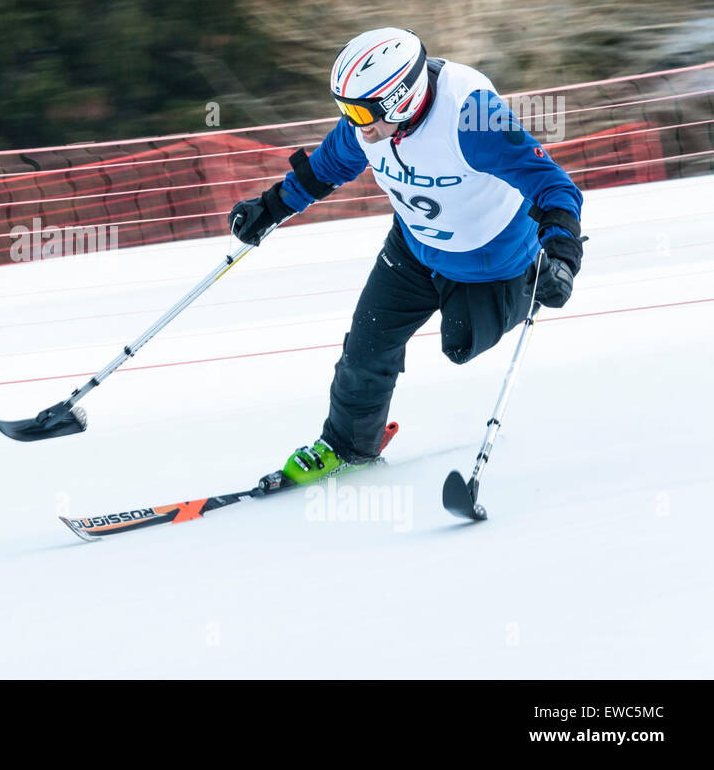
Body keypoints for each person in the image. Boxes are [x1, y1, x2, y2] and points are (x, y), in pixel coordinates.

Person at [229, 27, 584, 488]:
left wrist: (562, 253)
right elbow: (325, 168)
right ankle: (348, 445)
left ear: (400, 98)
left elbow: (552, 184)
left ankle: (529, 283)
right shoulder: (368, 127)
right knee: (366, 346)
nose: (356, 125)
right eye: (345, 110)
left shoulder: (472, 119)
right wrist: (272, 206)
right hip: (413, 248)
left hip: (491, 260)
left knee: (460, 346)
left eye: (361, 112)